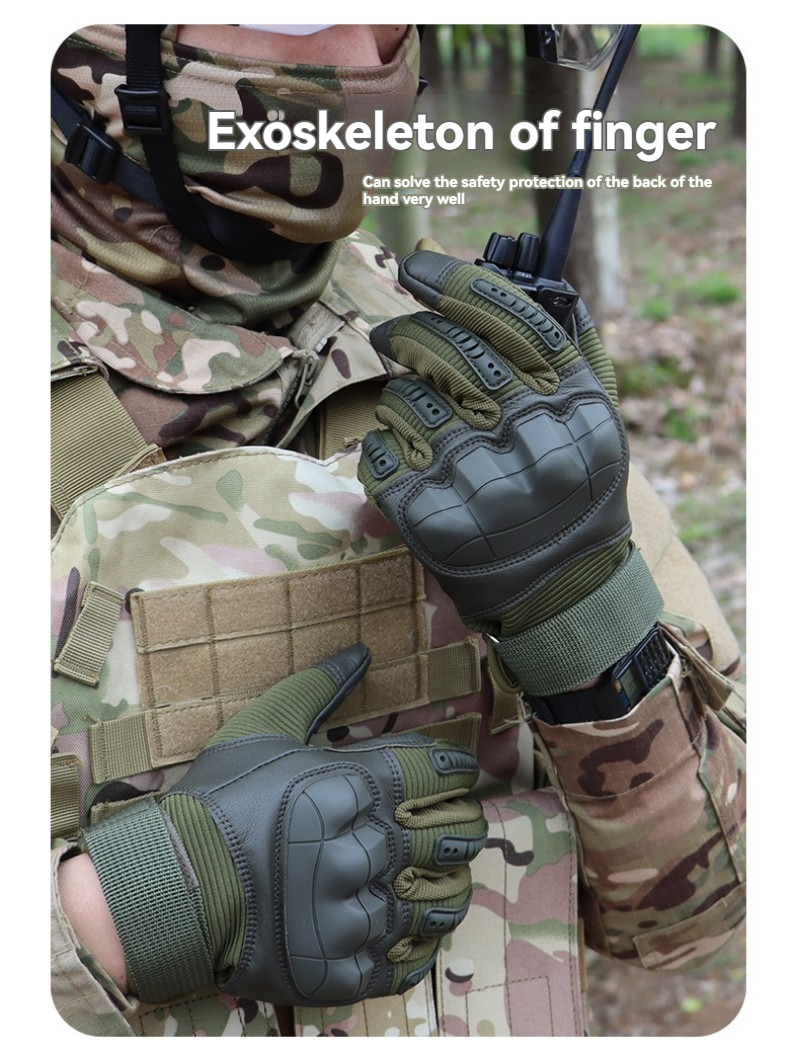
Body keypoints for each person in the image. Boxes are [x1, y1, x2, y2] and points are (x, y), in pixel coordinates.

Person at [50, 24, 746, 1037]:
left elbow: (690, 913)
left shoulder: (465, 369)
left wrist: (586, 619)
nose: (357, 49)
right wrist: (129, 909)